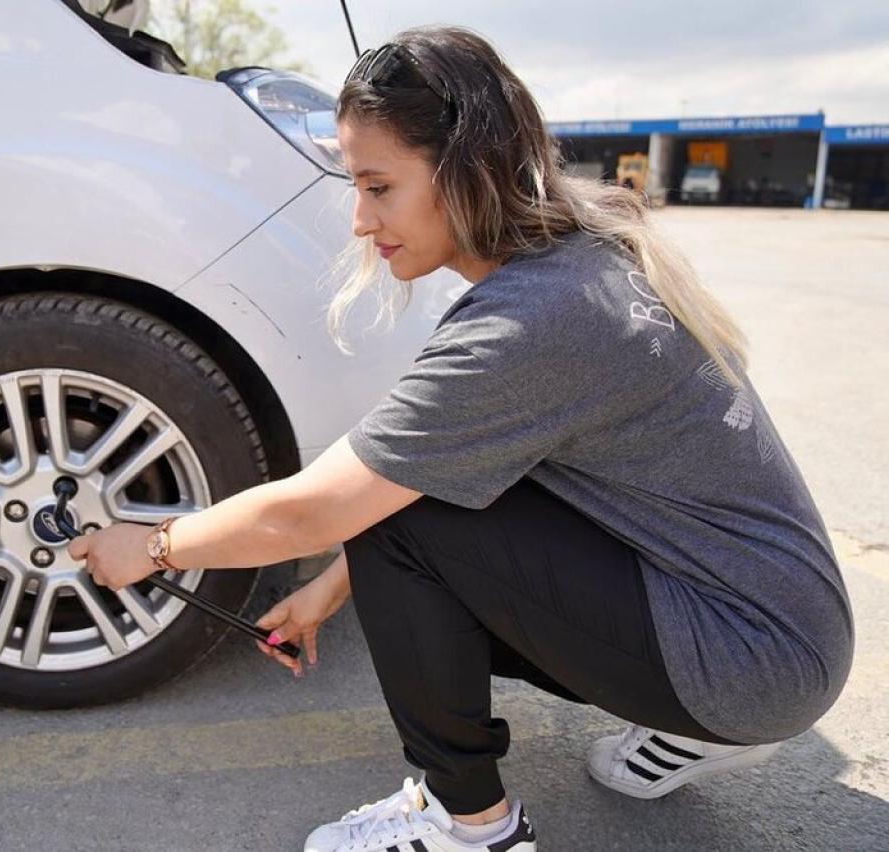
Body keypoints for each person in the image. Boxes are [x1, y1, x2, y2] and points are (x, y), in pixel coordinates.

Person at [67, 26, 853, 852]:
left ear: (467, 169)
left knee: (388, 514)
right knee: (401, 498)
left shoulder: (532, 321)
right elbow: (472, 473)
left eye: (379, 187)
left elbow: (315, 512)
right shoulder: (586, 258)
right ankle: (701, 729)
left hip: (748, 659)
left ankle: (473, 826)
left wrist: (152, 546)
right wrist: (333, 588)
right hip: (783, 629)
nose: (362, 221)